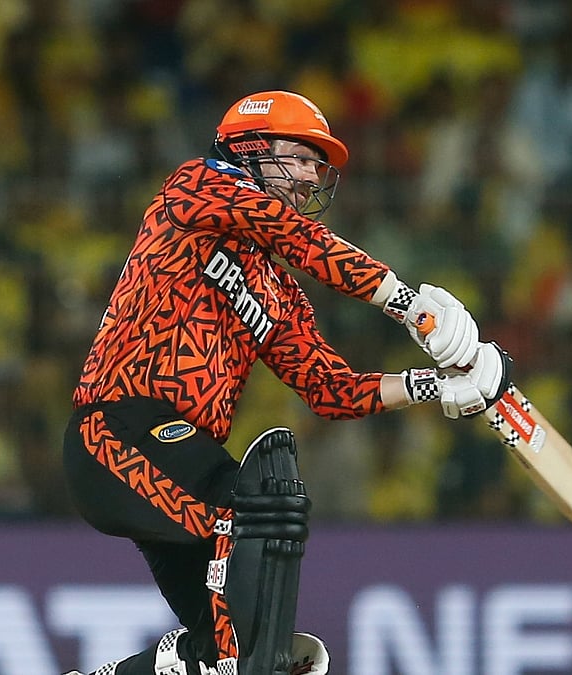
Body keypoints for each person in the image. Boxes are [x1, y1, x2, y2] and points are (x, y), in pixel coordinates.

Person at [61, 90, 511, 675]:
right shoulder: (195, 187)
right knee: (246, 505)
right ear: (249, 148)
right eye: (298, 157)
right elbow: (296, 236)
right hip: (114, 431)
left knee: (231, 647)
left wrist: (433, 385)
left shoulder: (279, 291)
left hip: (177, 459)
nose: (309, 176)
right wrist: (410, 307)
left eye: (315, 165)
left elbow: (332, 390)